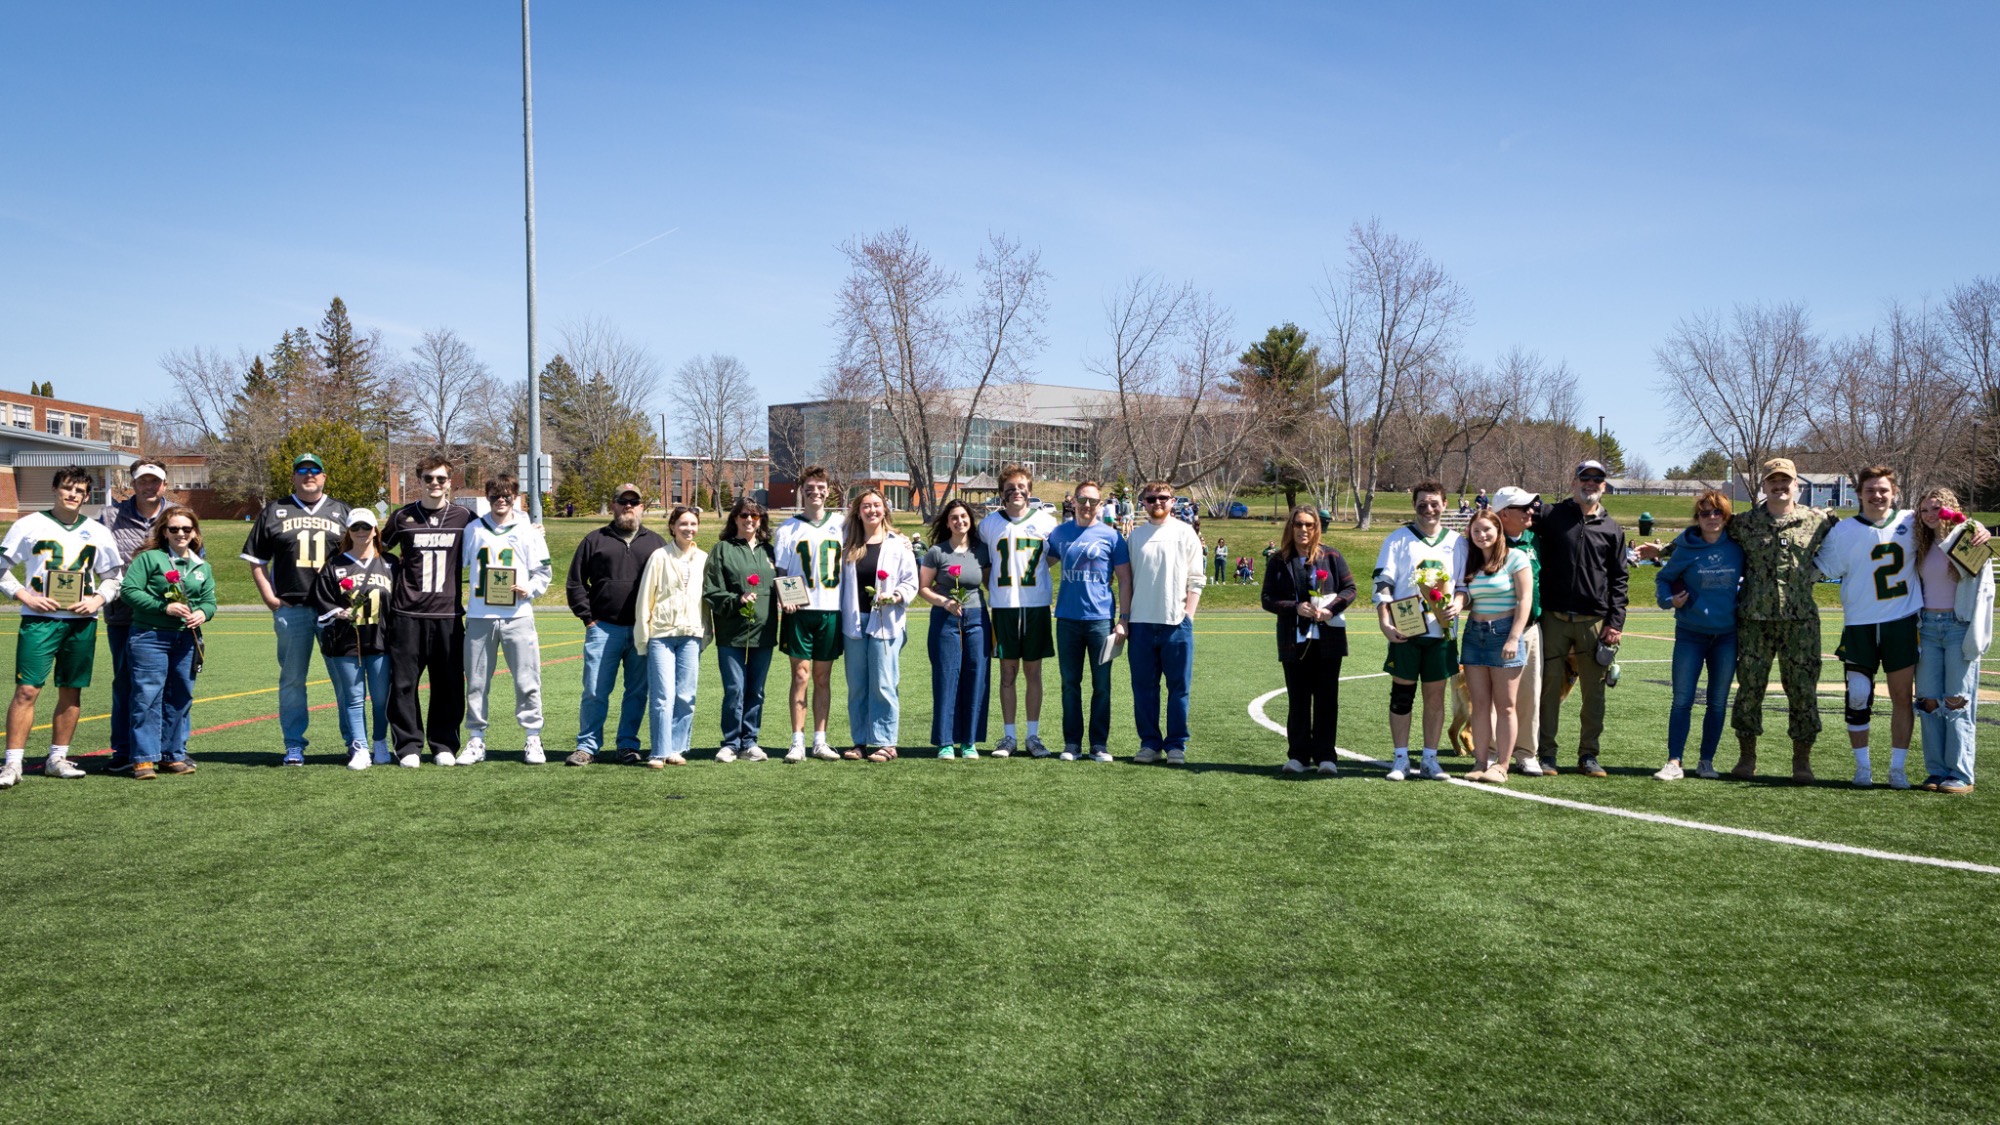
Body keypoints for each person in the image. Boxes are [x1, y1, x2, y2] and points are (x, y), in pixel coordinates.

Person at [1640, 458, 1836, 783]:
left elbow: (1851, 543)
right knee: (1749, 692)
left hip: (1800, 623)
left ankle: (1802, 761)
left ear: (1796, 485)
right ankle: (1747, 758)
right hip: (1753, 621)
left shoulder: (1819, 520)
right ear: (1763, 486)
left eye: (1785, 480)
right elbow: (1701, 535)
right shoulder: (1744, 523)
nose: (1779, 486)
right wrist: (1662, 550)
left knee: (1802, 691)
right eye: (1773, 480)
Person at [0, 466, 123, 787]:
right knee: (27, 690)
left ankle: (57, 758)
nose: (73, 495)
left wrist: (97, 600)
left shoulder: (98, 531)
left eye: (80, 491)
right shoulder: (29, 525)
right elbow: (1, 567)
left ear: (87, 496)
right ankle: (12, 763)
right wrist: (25, 594)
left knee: (71, 690)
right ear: (56, 489)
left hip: (81, 622)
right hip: (39, 620)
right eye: (68, 488)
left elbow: (114, 577)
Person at [1815, 466, 1926, 788]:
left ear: (1894, 493)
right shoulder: (1843, 531)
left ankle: (1897, 768)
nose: (1877, 496)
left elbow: (1949, 528)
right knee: (1859, 696)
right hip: (1860, 623)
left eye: (1883, 490)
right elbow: (1821, 569)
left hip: (1901, 622)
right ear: (1859, 493)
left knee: (1902, 696)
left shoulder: (1911, 521)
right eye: (1870, 490)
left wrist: (1975, 530)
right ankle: (1862, 767)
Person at [240, 452, 350, 764]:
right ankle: (293, 744)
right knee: (292, 680)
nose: (309, 475)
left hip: (333, 611)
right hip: (293, 608)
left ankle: (353, 742)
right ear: (293, 477)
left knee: (345, 680)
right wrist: (270, 598)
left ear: (325, 476)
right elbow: (256, 561)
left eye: (315, 470)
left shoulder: (342, 510)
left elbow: (360, 556)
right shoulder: (275, 510)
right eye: (302, 470)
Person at [380, 455, 476, 768]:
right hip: (407, 614)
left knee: (448, 683)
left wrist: (531, 531)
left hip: (448, 615)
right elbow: (376, 549)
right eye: (428, 478)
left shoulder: (465, 517)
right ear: (419, 481)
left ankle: (443, 743)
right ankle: (408, 745)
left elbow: (496, 537)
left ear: (450, 482)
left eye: (441, 479)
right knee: (404, 683)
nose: (435, 484)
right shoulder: (402, 517)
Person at [1534, 460, 1627, 778]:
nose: (1591, 483)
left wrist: (1615, 622)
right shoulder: (1551, 515)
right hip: (1553, 618)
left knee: (1594, 692)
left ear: (1604, 485)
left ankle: (1588, 755)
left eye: (1597, 479)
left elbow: (1619, 580)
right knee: (1547, 688)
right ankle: (1545, 753)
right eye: (1585, 478)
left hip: (1594, 622)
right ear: (1573, 482)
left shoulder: (1613, 529)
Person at [566, 483, 668, 765]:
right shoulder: (595, 539)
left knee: (636, 692)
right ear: (613, 505)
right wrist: (588, 618)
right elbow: (575, 582)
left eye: (634, 502)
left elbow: (667, 586)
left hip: (642, 631)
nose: (628, 507)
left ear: (642, 507)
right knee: (595, 691)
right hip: (603, 628)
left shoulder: (656, 543)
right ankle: (587, 747)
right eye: (623, 502)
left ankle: (627, 745)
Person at [1373, 480, 1466, 781]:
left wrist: (1459, 604)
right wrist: (1384, 621)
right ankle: (1400, 759)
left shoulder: (1458, 542)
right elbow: (1383, 584)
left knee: (1435, 698)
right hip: (1407, 628)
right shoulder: (1398, 539)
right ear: (1413, 505)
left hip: (1442, 631)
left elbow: (1463, 585)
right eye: (1422, 504)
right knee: (1402, 695)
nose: (1428, 509)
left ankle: (1429, 759)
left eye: (1434, 503)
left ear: (1445, 504)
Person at [1650, 490, 1745, 781]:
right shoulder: (1686, 548)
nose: (1712, 518)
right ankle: (1674, 762)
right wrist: (1669, 601)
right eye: (1705, 513)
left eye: (1717, 512)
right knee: (1682, 700)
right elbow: (1663, 579)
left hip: (1727, 636)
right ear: (1697, 518)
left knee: (1717, 702)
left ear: (1726, 516)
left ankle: (1706, 761)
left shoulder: (1738, 547)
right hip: (1691, 634)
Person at [115, 510, 213, 780]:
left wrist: (203, 612)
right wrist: (163, 607)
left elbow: (209, 600)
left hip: (186, 639)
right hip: (150, 636)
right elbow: (129, 591)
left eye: (186, 528)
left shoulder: (201, 565)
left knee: (181, 695)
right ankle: (144, 759)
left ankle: (173, 755)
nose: (180, 533)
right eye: (174, 529)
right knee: (147, 696)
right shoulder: (149, 558)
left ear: (194, 532)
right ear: (163, 532)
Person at [462, 475, 553, 765]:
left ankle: (532, 737)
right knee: (476, 682)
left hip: (517, 616)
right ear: (486, 498)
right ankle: (476, 739)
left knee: (527, 680)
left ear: (516, 497)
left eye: (506, 496)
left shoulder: (528, 532)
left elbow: (543, 573)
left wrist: (531, 590)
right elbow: (458, 564)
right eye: (494, 496)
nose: (501, 501)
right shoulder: (473, 529)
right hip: (479, 615)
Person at [100, 458, 183, 774]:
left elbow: (194, 558)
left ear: (165, 483)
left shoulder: (177, 515)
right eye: (142, 480)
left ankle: (165, 751)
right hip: (125, 614)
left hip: (169, 617)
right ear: (132, 483)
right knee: (126, 684)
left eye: (155, 481)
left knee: (171, 686)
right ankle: (124, 752)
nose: (149, 486)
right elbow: (101, 561)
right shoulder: (110, 516)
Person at [1261, 506, 1356, 774]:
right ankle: (1299, 756)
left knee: (1327, 700)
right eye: (1299, 524)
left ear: (1318, 528)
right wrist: (1294, 607)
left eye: (1310, 525)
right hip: (1294, 641)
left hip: (1328, 640)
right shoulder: (1279, 560)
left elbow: (1350, 589)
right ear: (1290, 527)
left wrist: (1331, 609)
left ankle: (1326, 756)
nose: (1304, 530)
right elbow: (1267, 599)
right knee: (1298, 700)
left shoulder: (1332, 556)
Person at [1913, 488, 1992, 794]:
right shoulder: (1919, 543)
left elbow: (1967, 567)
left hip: (1958, 626)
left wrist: (1969, 525)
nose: (1932, 515)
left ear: (1952, 509)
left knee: (1956, 701)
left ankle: (1960, 773)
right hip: (1928, 627)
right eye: (1925, 510)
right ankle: (1935, 771)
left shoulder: (1969, 538)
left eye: (1938, 508)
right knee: (1929, 702)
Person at [1046, 480, 1131, 762]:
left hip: (1101, 622)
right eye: (1082, 500)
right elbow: (1041, 562)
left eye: (1093, 502)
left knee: (1102, 685)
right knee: (1070, 683)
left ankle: (1098, 744)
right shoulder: (1059, 533)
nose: (1087, 506)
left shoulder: (1113, 537)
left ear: (1100, 504)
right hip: (1067, 620)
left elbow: (1125, 579)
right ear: (1074, 501)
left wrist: (1124, 619)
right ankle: (1071, 743)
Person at [1123, 480, 1206, 764]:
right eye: (1151, 498)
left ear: (1173, 502)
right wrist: (1126, 618)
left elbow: (1197, 579)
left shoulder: (1185, 533)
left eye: (1163, 498)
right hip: (1142, 623)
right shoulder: (1135, 537)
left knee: (1178, 689)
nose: (1157, 502)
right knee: (1144, 689)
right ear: (1143, 503)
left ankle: (1175, 746)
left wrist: (1188, 616)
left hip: (1176, 625)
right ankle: (1149, 743)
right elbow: (1127, 581)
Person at [980, 465, 1058, 758]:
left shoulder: (1047, 523)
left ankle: (1033, 736)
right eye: (1010, 487)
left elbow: (1051, 557)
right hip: (1003, 607)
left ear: (1030, 490)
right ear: (1001, 493)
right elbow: (985, 564)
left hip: (1036, 605)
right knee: (1007, 673)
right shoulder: (989, 525)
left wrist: (1030, 573)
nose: (1016, 491)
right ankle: (1009, 736)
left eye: (1021, 486)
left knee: (1033, 672)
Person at [310, 509, 395, 770]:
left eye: (366, 526)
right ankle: (360, 746)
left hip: (381, 639)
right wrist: (338, 611)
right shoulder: (335, 564)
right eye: (355, 526)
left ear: (375, 530)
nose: (361, 531)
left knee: (381, 698)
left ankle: (380, 742)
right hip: (347, 640)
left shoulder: (390, 563)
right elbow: (321, 597)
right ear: (348, 531)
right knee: (354, 697)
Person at [772, 467, 847, 763]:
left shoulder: (843, 525)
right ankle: (797, 741)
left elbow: (876, 533)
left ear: (828, 491)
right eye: (810, 487)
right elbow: (781, 571)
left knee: (823, 677)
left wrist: (903, 540)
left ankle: (820, 740)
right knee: (800, 675)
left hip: (831, 609)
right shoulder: (788, 528)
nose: (816, 492)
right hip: (800, 612)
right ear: (801, 490)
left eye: (820, 487)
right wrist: (785, 598)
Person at [1454, 510, 1533, 784]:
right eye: (1476, 531)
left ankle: (1501, 765)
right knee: (1480, 704)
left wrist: (1514, 636)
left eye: (1487, 529)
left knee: (1506, 706)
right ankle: (1480, 762)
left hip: (1504, 635)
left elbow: (1525, 600)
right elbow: (1466, 596)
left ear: (1498, 530)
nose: (1482, 535)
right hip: (1474, 635)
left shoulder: (1515, 558)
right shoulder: (1471, 563)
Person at [839, 488, 918, 762]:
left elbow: (911, 581)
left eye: (877, 505)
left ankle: (885, 742)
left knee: (884, 683)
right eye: (866, 506)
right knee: (858, 685)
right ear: (857, 511)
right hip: (855, 622)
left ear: (885, 509)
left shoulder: (898, 544)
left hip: (886, 621)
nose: (872, 510)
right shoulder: (847, 542)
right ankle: (860, 741)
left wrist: (895, 596)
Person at [635, 506, 710, 767]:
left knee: (686, 695)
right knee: (662, 696)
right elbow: (646, 597)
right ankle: (658, 751)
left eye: (693, 524)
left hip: (691, 635)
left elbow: (707, 601)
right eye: (683, 524)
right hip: (662, 634)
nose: (688, 529)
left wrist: (706, 633)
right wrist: (643, 636)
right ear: (672, 527)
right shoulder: (659, 556)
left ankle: (676, 749)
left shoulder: (703, 558)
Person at [705, 499, 780, 761]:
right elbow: (712, 591)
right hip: (731, 633)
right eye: (745, 515)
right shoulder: (722, 550)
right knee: (735, 689)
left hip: (764, 632)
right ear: (735, 518)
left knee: (756, 690)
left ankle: (750, 741)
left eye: (756, 516)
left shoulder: (770, 552)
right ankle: (730, 742)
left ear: (762, 520)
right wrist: (736, 600)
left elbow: (786, 582)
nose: (750, 520)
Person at [920, 499, 991, 759]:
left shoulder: (980, 550)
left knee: (976, 676)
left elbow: (990, 583)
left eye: (963, 516)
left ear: (970, 519)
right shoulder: (937, 552)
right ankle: (945, 742)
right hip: (945, 618)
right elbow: (923, 588)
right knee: (947, 677)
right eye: (954, 517)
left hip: (977, 618)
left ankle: (969, 741)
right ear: (947, 522)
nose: (959, 521)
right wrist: (945, 602)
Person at [1488, 488, 1546, 775]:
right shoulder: (1485, 542)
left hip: (1530, 629)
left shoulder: (1533, 539)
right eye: (1523, 507)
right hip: (1494, 628)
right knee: (1494, 695)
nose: (1530, 511)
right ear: (1504, 514)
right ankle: (1490, 751)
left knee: (1528, 693)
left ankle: (1525, 752)